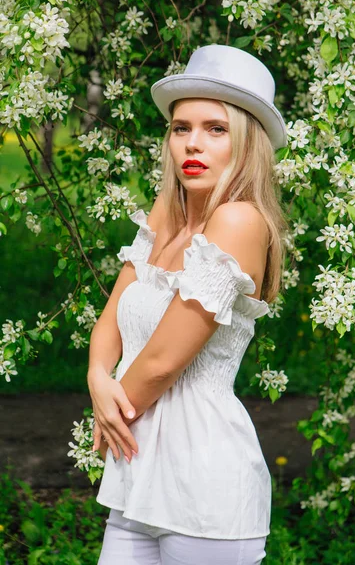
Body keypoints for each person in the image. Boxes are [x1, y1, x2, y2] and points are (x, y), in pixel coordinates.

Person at [88, 44, 289, 565]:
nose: (192, 143)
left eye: (215, 129)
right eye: (181, 128)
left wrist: (112, 410)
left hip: (205, 489)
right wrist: (95, 377)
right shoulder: (167, 216)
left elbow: (162, 361)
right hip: (136, 479)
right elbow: (111, 320)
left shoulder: (240, 221)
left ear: (246, 143)